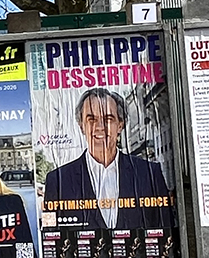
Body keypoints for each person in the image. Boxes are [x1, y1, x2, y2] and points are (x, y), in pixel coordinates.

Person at [41, 88, 173, 236]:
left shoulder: (150, 174)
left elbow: (166, 232)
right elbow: (50, 237)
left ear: (120, 125)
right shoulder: (57, 181)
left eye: (108, 119)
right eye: (91, 119)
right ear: (81, 126)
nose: (100, 127)